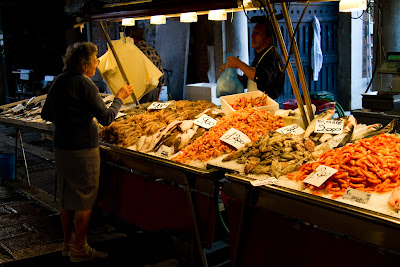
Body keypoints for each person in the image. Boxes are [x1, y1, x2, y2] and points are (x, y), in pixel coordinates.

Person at [41, 42, 133, 262]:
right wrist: (119, 97)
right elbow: (106, 118)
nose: (97, 63)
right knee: (84, 198)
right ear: (85, 64)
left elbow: (46, 113)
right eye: (95, 59)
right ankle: (80, 249)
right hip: (83, 149)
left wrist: (68, 120)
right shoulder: (85, 84)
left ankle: (68, 244)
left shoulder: (59, 80)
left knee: (66, 196)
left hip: (62, 145)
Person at [220, 16, 285, 99]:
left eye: (258, 33)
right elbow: (245, 82)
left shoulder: (271, 57)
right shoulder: (260, 56)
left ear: (269, 39)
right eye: (253, 32)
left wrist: (239, 64)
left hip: (266, 106)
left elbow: (261, 78)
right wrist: (230, 72)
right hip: (254, 105)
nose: (252, 36)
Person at [129, 26, 165, 103]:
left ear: (132, 38)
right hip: (154, 90)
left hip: (140, 92)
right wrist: (157, 97)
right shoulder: (154, 51)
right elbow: (161, 77)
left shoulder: (134, 51)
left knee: (139, 114)